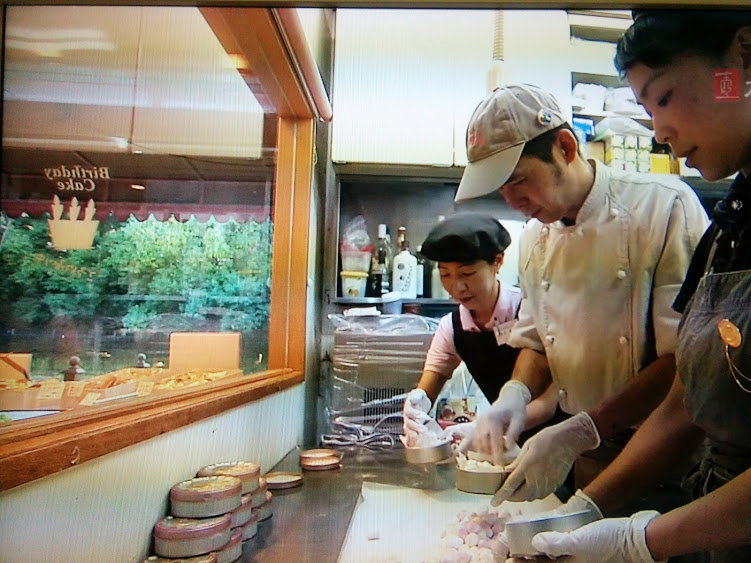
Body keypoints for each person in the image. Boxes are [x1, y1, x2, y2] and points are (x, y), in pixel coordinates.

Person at [510, 10, 751, 563]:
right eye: (645, 112)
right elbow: (687, 398)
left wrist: (639, 540)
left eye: (664, 98)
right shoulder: (732, 227)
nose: (659, 133)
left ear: (742, 60)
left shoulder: (666, 207)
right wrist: (586, 511)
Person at [452, 83, 709, 509]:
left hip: (663, 459)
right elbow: (537, 340)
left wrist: (584, 428)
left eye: (518, 181)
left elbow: (683, 360)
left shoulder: (663, 207)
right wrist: (512, 396)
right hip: (585, 461)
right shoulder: (534, 240)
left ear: (565, 147)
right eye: (501, 190)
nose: (512, 201)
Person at [402, 212, 559, 446]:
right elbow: (427, 388)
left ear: (498, 261)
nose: (457, 286)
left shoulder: (531, 310)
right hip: (505, 443)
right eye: (445, 274)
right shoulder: (451, 328)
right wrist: (416, 405)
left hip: (560, 438)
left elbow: (551, 402)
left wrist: (485, 426)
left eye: (467, 273)